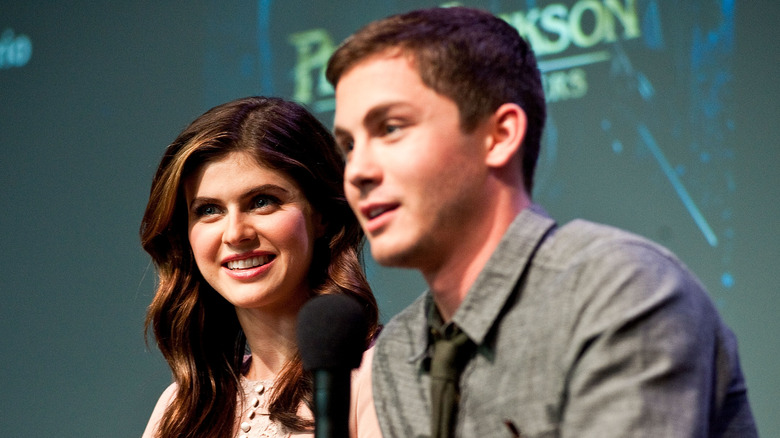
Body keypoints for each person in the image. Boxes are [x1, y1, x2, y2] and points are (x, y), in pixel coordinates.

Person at [327, 7, 758, 438]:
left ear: (499, 136)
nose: (357, 171)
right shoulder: (398, 352)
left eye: (390, 128)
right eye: (348, 145)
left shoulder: (617, 290)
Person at [140, 96, 381, 438]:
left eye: (262, 202)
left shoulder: (378, 373)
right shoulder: (179, 408)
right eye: (209, 210)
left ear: (321, 214)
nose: (236, 233)